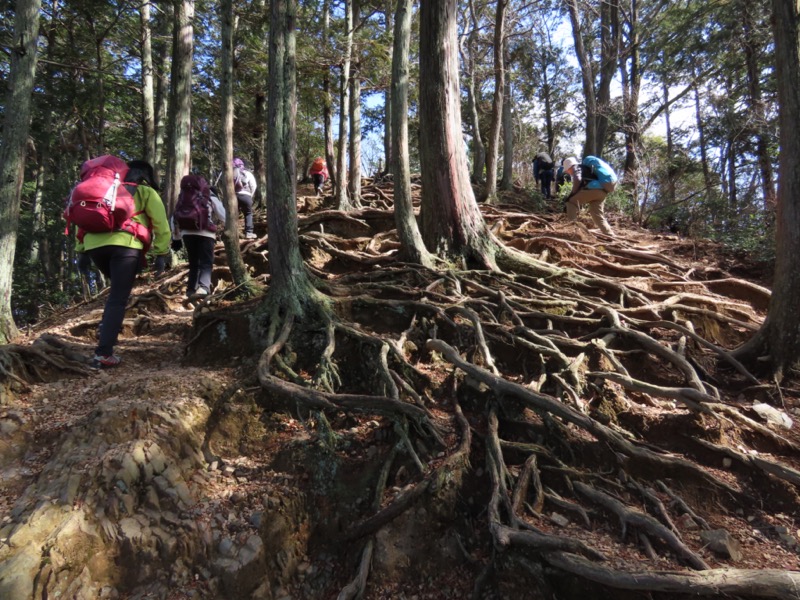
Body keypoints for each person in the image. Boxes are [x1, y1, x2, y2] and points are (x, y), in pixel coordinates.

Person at [78, 160, 170, 368]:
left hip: (94, 246)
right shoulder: (145, 192)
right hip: (126, 245)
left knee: (116, 295)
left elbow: (82, 221)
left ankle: (108, 332)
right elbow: (161, 225)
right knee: (118, 299)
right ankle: (104, 352)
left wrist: (81, 250)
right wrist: (161, 254)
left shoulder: (103, 191)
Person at [171, 178, 226, 301]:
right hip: (206, 233)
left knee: (193, 262)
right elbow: (223, 214)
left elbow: (174, 217)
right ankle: (203, 288)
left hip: (187, 233)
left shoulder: (183, 197)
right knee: (206, 262)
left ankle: (190, 290)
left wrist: (176, 238)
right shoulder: (210, 196)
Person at [561, 156, 615, 236]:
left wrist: (571, 195)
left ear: (569, 167)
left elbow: (578, 179)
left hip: (593, 190)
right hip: (602, 191)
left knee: (570, 203)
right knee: (597, 214)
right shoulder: (587, 169)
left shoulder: (576, 167)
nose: (567, 172)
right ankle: (610, 235)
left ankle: (573, 232)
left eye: (567, 170)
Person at [233, 158, 257, 239]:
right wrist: (250, 195)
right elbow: (254, 185)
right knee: (248, 213)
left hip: (234, 196)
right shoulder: (248, 173)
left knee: (233, 215)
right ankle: (249, 232)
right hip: (246, 195)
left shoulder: (232, 174)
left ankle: (233, 232)